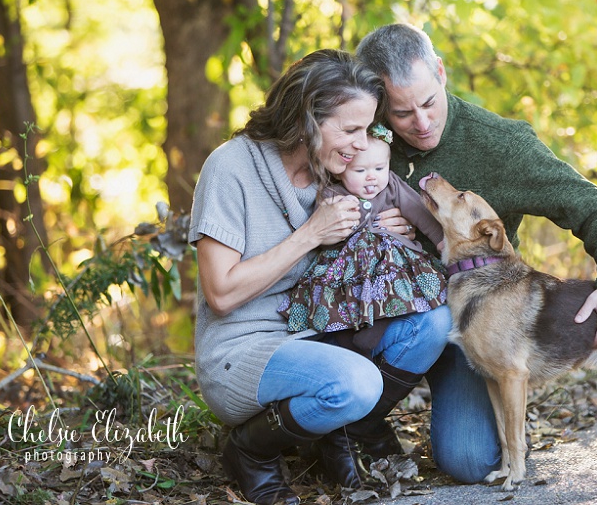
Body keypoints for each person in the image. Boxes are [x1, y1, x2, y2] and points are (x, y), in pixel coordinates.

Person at [355, 23, 597, 483]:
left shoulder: (501, 145)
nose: (423, 123)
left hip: (476, 326)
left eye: (429, 102)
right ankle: (358, 425)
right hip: (387, 317)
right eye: (402, 112)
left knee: (469, 461)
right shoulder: (359, 140)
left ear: (442, 73)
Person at [189, 49, 451, 505]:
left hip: (318, 332)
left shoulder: (334, 173)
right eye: (349, 130)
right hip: (242, 349)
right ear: (307, 118)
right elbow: (221, 294)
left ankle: (344, 433)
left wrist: (395, 232)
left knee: (434, 322)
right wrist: (311, 233)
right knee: (357, 383)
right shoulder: (231, 168)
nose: (358, 144)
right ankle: (250, 450)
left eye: (366, 129)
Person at [278, 123, 447, 347]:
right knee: (340, 301)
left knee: (397, 290)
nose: (371, 178)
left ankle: (377, 332)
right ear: (340, 173)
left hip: (388, 264)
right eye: (360, 171)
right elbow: (325, 229)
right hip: (348, 268)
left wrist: (441, 239)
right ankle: (344, 340)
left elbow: (418, 211)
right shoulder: (332, 193)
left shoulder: (392, 186)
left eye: (379, 169)